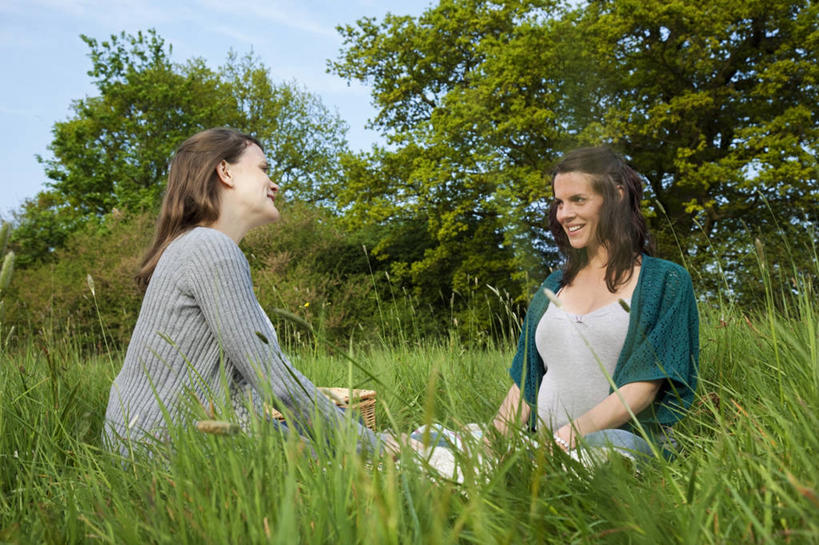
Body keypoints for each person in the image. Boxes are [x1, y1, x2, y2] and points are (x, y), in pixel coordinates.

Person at [103, 127, 382, 457]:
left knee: (342, 436)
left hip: (156, 440)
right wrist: (370, 446)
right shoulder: (210, 248)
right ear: (225, 172)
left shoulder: (195, 246)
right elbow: (273, 379)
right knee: (392, 447)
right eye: (263, 169)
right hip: (171, 448)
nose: (274, 184)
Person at [492, 146, 699, 461]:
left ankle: (541, 469)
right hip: (541, 446)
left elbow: (642, 388)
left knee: (606, 450)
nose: (564, 214)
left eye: (578, 200)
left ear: (615, 195)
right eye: (560, 203)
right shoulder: (552, 287)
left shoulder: (666, 282)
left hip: (619, 443)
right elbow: (524, 386)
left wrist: (562, 441)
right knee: (426, 440)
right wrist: (487, 447)